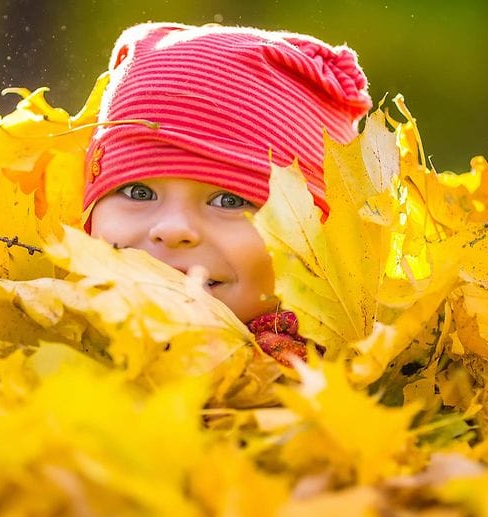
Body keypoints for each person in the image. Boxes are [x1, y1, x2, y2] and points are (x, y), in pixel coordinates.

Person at [84, 22, 372, 364]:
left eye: (229, 200)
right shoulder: (42, 334)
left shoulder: (327, 377)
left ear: (319, 243)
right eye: (138, 192)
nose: (172, 229)